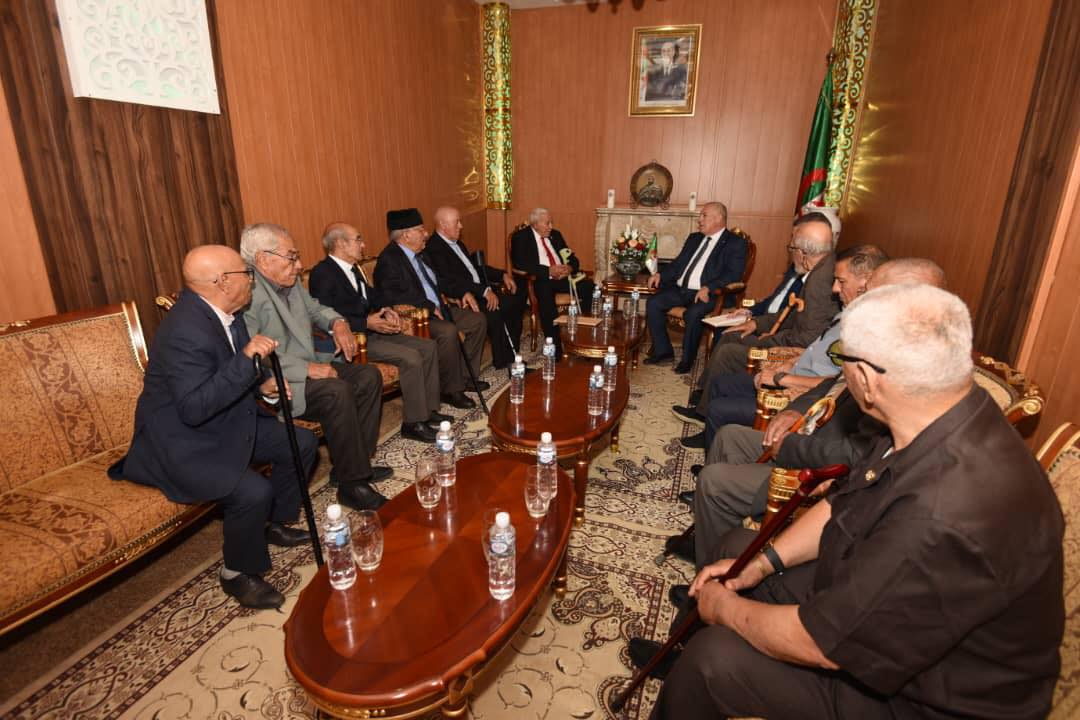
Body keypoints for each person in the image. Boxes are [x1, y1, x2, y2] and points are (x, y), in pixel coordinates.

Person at [651, 283, 1065, 719]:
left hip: (925, 699)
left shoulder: (944, 510)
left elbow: (823, 644)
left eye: (842, 360)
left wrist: (727, 611)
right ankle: (682, 662)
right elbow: (842, 504)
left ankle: (691, 672)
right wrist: (763, 562)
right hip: (877, 595)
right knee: (739, 550)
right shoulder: (933, 414)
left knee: (713, 659)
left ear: (866, 380)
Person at [110, 245, 317, 610]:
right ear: (222, 282)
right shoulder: (184, 331)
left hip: (224, 419)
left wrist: (263, 385)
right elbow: (194, 408)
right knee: (252, 491)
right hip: (181, 440)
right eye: (245, 273)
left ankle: (274, 523)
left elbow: (230, 372)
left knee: (300, 442)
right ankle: (236, 572)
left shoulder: (228, 313)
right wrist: (248, 359)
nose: (251, 280)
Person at [676, 245, 887, 449]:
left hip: (799, 395)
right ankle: (708, 431)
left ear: (865, 282)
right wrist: (791, 361)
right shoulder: (847, 312)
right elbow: (816, 348)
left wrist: (781, 378)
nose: (834, 288)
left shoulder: (865, 332)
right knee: (721, 383)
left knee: (720, 406)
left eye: (841, 281)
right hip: (793, 372)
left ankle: (719, 443)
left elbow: (836, 384)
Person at [242, 223, 390, 512]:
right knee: (336, 391)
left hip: (311, 365)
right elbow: (251, 352)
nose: (299, 265)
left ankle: (353, 464)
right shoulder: (248, 293)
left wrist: (339, 322)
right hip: (279, 381)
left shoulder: (289, 281)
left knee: (368, 376)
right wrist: (306, 368)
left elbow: (316, 309)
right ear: (263, 259)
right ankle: (352, 485)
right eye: (291, 257)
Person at [686, 212, 839, 418]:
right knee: (731, 335)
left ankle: (704, 413)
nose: (790, 252)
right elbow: (792, 314)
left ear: (803, 253)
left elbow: (806, 338)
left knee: (727, 351)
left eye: (792, 248)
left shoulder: (818, 284)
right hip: (787, 338)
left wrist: (769, 338)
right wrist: (756, 323)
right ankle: (706, 392)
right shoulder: (819, 270)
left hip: (792, 351)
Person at [308, 222, 448, 443]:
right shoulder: (323, 273)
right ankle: (414, 423)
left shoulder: (354, 269)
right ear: (340, 244)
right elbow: (326, 317)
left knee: (428, 346)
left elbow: (373, 296)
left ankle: (428, 410)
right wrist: (365, 322)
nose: (363, 245)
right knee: (411, 357)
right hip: (355, 339)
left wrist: (387, 309)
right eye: (358, 239)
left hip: (372, 330)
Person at [374, 208, 487, 409]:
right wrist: (427, 306)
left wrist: (462, 292)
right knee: (448, 331)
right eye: (420, 230)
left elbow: (439, 281)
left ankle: (464, 378)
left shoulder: (422, 254)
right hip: (418, 316)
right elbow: (391, 296)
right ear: (406, 235)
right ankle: (451, 390)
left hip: (440, 308)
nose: (426, 233)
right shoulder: (389, 260)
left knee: (477, 320)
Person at [643, 201, 747, 373]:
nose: (700, 219)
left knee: (693, 313)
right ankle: (663, 352)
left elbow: (732, 274)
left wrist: (709, 287)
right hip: (682, 290)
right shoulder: (694, 238)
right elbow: (677, 265)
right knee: (654, 303)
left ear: (718, 218)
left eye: (704, 216)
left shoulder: (735, 243)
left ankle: (687, 361)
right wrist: (660, 275)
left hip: (712, 294)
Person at [424, 206, 525, 370]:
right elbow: (450, 281)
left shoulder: (457, 243)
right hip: (466, 297)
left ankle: (512, 356)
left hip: (479, 291)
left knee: (515, 303)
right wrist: (483, 291)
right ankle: (503, 360)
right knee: (494, 313)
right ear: (443, 225)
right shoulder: (435, 249)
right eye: (457, 222)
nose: (461, 226)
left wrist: (502, 275)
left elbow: (475, 269)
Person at [510, 207, 595, 360]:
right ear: (535, 224)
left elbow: (572, 258)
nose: (551, 227)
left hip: (562, 277)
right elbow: (520, 263)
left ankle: (583, 338)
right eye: (547, 223)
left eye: (551, 223)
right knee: (545, 294)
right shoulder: (521, 237)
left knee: (590, 288)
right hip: (540, 279)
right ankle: (555, 348)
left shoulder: (555, 235)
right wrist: (548, 271)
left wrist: (570, 267)